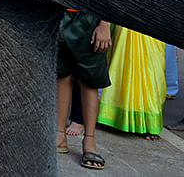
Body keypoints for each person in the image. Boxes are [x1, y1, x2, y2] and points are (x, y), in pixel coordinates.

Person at [55, 10, 112, 169]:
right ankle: (59, 135)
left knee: (89, 82)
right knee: (62, 75)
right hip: (61, 14)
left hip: (90, 19)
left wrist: (105, 24)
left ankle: (89, 141)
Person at [97, 26, 167, 140]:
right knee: (122, 65)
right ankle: (114, 117)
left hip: (153, 20)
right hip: (126, 22)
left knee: (152, 69)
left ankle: (149, 123)